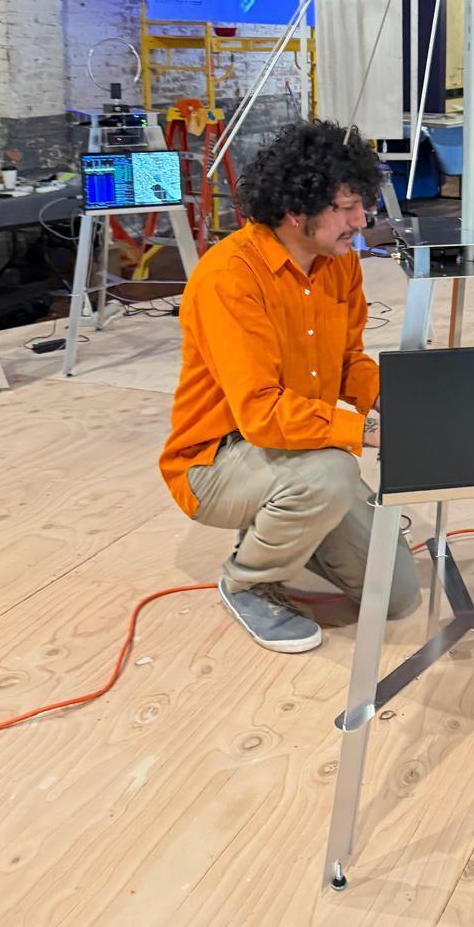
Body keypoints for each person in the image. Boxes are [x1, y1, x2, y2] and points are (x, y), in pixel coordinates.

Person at [160, 120, 420, 653]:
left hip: (297, 444)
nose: (360, 221)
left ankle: (289, 517)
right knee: (331, 474)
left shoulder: (338, 264)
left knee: (396, 594)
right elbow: (261, 413)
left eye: (361, 205)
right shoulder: (230, 276)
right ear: (297, 210)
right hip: (217, 459)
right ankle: (248, 583)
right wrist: (366, 431)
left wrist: (407, 403)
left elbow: (348, 362)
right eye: (347, 208)